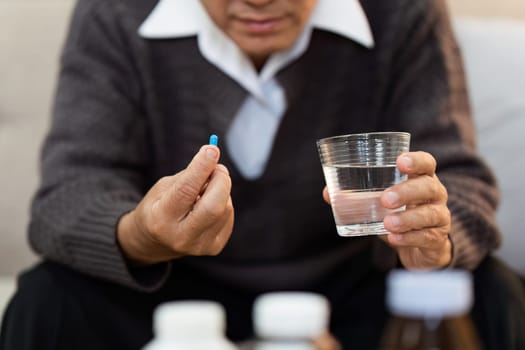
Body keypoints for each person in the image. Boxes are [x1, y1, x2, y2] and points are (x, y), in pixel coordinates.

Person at [1, 0, 524, 349]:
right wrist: (142, 233)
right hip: (173, 294)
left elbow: (459, 181)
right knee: (47, 300)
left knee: (492, 292)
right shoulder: (115, 12)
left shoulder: (402, 12)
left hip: (354, 293)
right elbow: (68, 196)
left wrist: (430, 238)